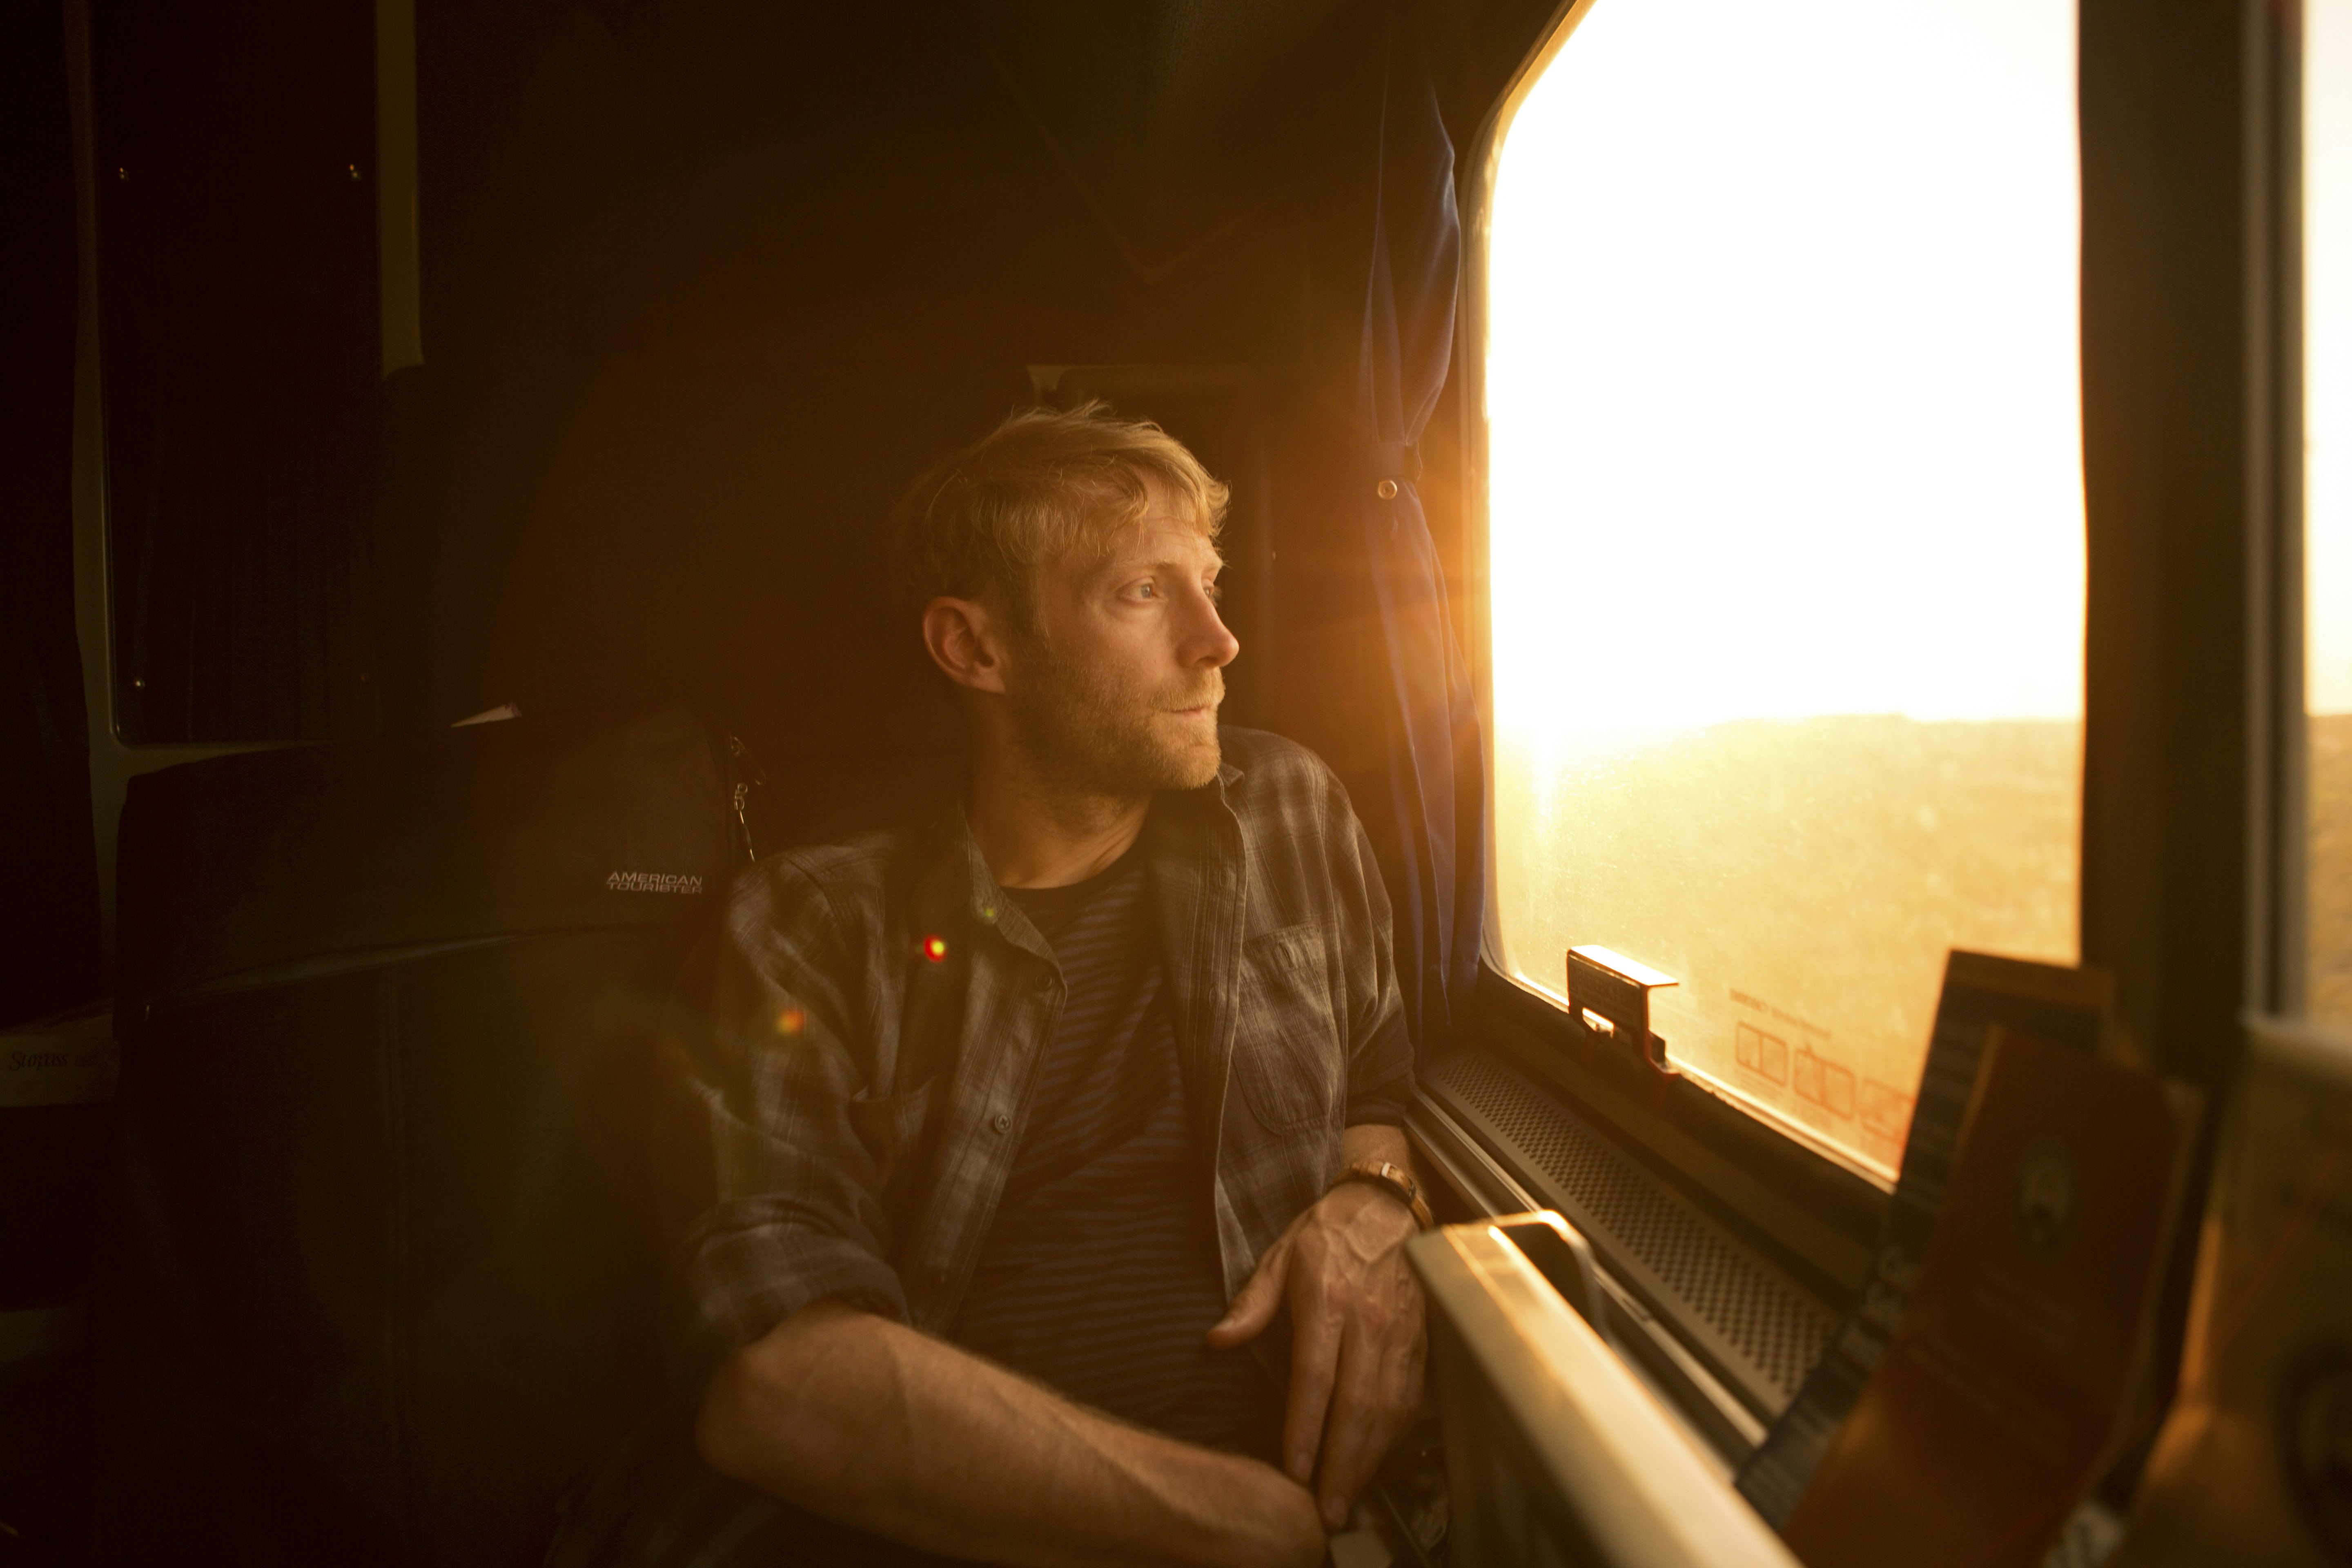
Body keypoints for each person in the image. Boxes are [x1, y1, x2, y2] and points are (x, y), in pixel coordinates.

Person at [555, 402, 1429, 1568]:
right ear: (976, 649)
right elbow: (778, 1377)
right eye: (1141, 592)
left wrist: (1376, 1204)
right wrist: (1242, 1528)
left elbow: (1379, 1087)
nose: (1218, 639)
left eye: (1209, 582)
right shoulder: (811, 929)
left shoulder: (1290, 813)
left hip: (1317, 1514)